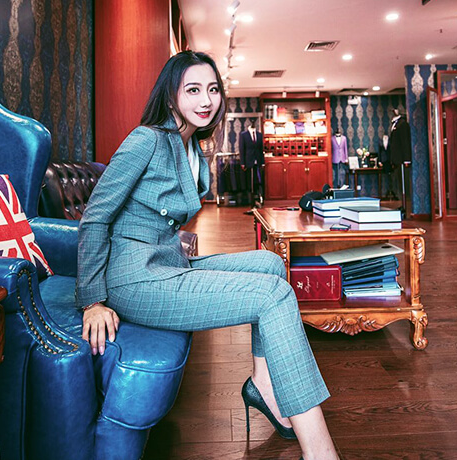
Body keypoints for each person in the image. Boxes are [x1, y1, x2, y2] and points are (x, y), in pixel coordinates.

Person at [76, 51, 339, 460]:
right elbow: (95, 215)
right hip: (136, 278)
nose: (206, 100)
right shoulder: (147, 139)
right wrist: (92, 300)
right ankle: (321, 452)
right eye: (193, 90)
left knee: (271, 263)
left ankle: (264, 385)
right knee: (273, 296)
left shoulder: (192, 146)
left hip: (168, 264)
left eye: (213, 89)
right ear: (170, 96)